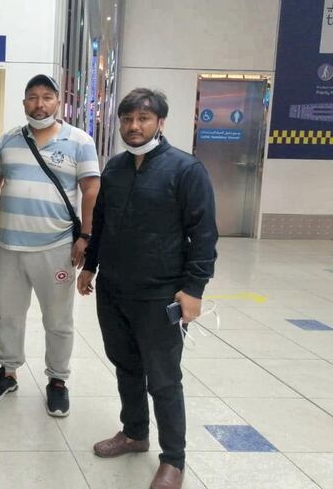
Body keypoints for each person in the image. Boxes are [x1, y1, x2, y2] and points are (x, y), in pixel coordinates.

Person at [77, 88, 218, 489]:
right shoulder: (116, 168)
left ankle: (173, 460)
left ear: (160, 122)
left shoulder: (185, 170)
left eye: (142, 118)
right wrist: (91, 266)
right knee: (126, 366)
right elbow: (100, 222)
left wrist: (194, 289)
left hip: (161, 295)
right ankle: (135, 434)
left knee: (163, 379)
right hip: (115, 290)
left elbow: (204, 234)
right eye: (127, 119)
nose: (134, 126)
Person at [0, 74, 100, 416]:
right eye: (32, 97)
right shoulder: (8, 140)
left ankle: (58, 380)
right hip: (9, 247)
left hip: (57, 246)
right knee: (9, 315)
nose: (39, 104)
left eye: (46, 97)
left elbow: (91, 191)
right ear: (24, 104)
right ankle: (8, 371)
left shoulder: (79, 140)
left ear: (58, 102)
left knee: (58, 319)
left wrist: (86, 237)